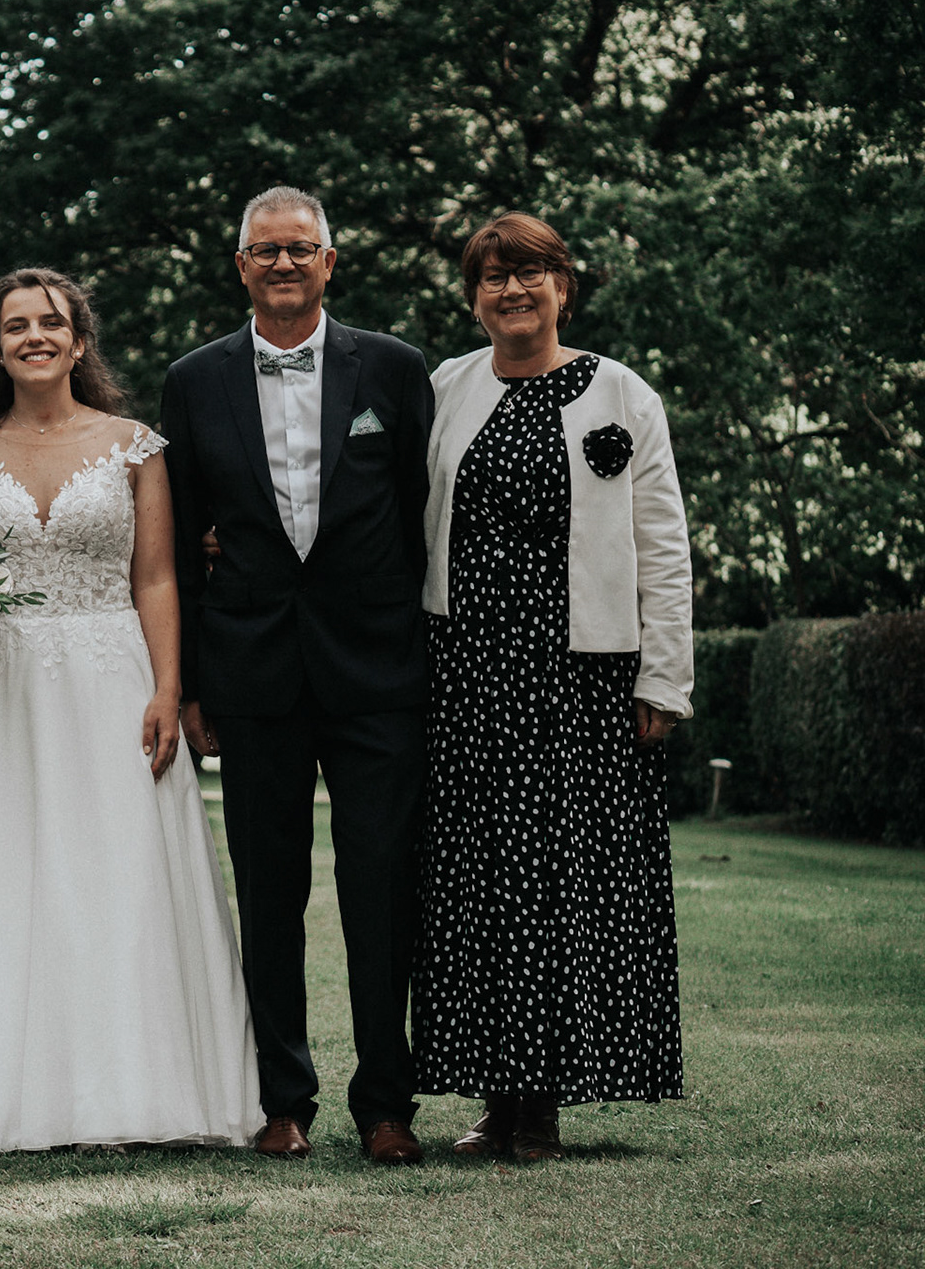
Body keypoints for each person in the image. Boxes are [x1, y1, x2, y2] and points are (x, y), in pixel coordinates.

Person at [0, 268, 263, 1154]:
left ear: (80, 341)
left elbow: (155, 577)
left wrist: (168, 689)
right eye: (16, 326)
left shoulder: (135, 445)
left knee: (119, 878)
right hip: (5, 690)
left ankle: (136, 1094)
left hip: (115, 679)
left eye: (51, 323)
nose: (35, 337)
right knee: (6, 881)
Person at [161, 186, 434, 1165]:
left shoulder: (393, 368)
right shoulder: (194, 380)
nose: (283, 264)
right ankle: (283, 1099)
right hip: (253, 672)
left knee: (382, 889)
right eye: (265, 250)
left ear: (329, 261)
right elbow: (179, 544)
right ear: (241, 265)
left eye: (299, 249)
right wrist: (193, 686)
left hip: (379, 671)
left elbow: (421, 517)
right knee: (270, 891)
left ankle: (386, 1105)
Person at [413, 212, 691, 1160]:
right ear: (474, 297)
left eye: (531, 272)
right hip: (467, 678)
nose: (513, 290)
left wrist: (664, 679)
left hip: (585, 680)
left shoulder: (622, 392)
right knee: (479, 888)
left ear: (563, 286)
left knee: (569, 886)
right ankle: (499, 1097)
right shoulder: (446, 387)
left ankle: (543, 1108)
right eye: (494, 276)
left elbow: (664, 546)